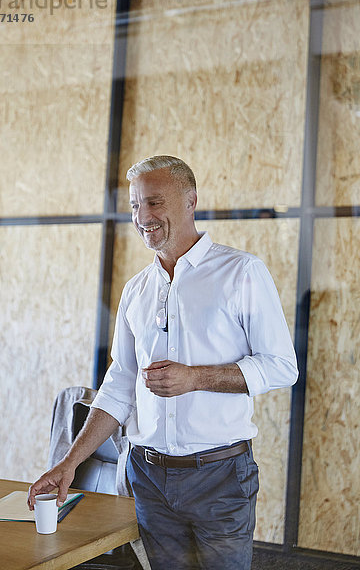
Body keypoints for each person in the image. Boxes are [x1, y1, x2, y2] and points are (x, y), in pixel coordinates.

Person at [28, 155, 298, 570]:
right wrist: (68, 464)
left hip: (221, 475)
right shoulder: (136, 290)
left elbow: (282, 366)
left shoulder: (241, 272)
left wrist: (195, 377)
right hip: (147, 477)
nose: (143, 217)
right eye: (136, 205)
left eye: (154, 202)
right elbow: (119, 386)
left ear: (190, 201)